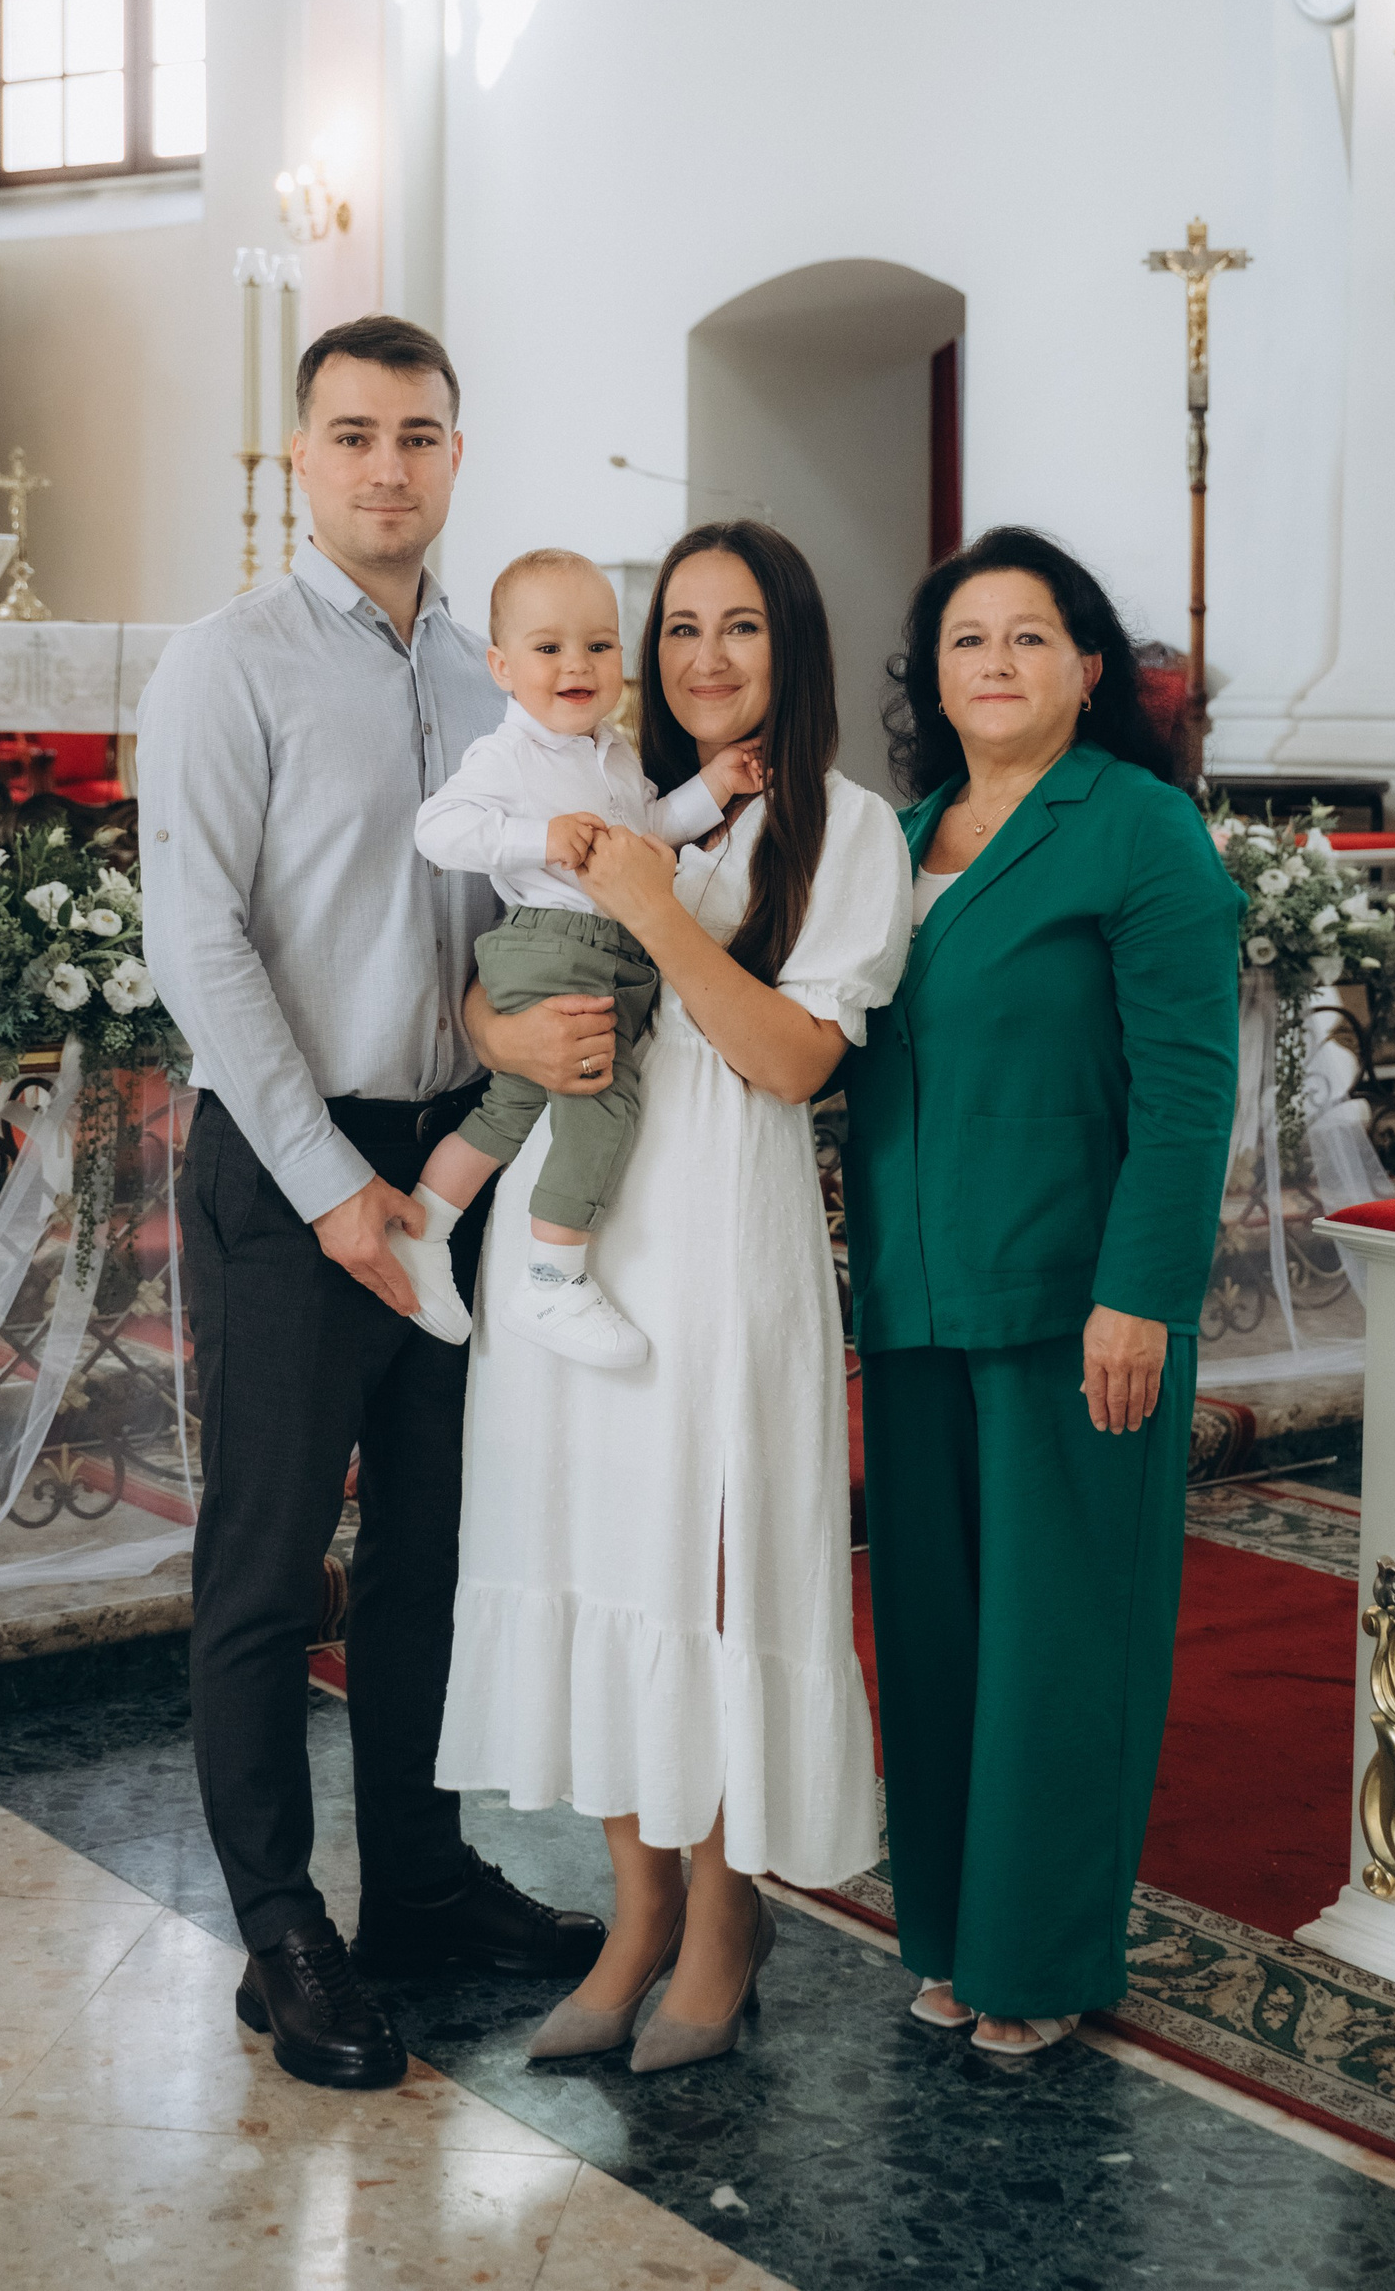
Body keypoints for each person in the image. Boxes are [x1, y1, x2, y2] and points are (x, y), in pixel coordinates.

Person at [138, 316, 608, 2097]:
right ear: (303, 455)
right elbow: (199, 940)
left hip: (453, 1159)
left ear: (456, 455)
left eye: (418, 434)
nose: (387, 465)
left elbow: (506, 920)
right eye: (353, 433)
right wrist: (333, 1184)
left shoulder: (499, 678)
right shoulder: (227, 662)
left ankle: (415, 1881)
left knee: (431, 1549)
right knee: (269, 1563)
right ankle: (280, 1929)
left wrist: (514, 1063)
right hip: (291, 1164)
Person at [435, 522, 912, 2074]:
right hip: (572, 1229)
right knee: (596, 1549)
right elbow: (503, 965)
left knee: (706, 1573)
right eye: (683, 626)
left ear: (795, 646)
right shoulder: (599, 787)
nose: (706, 655)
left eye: (742, 626)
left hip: (715, 1231)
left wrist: (654, 909)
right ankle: (635, 1911)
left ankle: (723, 1914)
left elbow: (793, 1059)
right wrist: (499, 1037)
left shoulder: (846, 825)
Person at [846, 526, 1241, 2055]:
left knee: (1061, 1642)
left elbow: (1188, 1089)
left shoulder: (1139, 828)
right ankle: (951, 1933)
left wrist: (1142, 1293)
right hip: (914, 1297)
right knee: (936, 1639)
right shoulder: (895, 837)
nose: (996, 662)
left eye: (1028, 636)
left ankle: (1042, 1952)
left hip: (1077, 1304)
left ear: (1087, 669)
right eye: (967, 638)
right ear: (931, 678)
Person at [401, 546, 762, 1368]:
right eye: (549, 647)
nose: (577, 665)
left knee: (512, 1104)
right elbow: (437, 830)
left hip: (599, 947)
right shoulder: (508, 755)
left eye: (599, 646)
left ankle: (423, 1226)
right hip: (553, 944)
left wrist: (716, 785)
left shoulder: (612, 752)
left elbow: (650, 831)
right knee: (604, 1096)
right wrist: (540, 838)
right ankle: (553, 1277)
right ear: (502, 667)